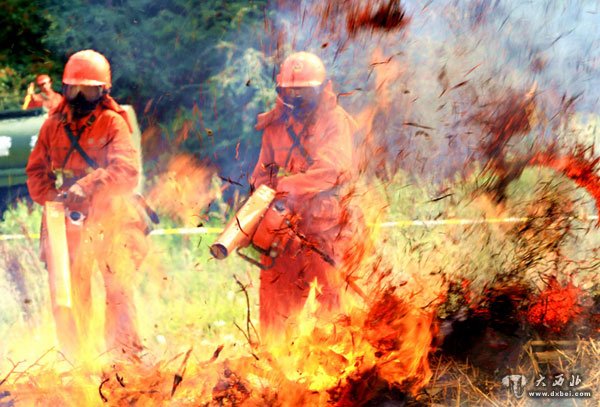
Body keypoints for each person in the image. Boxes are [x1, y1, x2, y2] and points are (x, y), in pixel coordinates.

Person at [26, 49, 148, 360]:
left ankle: (124, 361)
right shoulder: (52, 125)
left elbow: (127, 171)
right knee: (68, 293)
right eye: (74, 89)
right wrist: (53, 198)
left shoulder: (112, 123)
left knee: (117, 290)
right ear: (65, 89)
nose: (80, 96)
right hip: (67, 215)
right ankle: (76, 360)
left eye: (88, 89)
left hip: (110, 213)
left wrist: (88, 185)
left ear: (102, 91)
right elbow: (36, 172)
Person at [250, 51, 361, 336]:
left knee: (332, 310)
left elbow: (333, 170)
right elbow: (261, 175)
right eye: (290, 93)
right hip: (283, 232)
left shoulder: (334, 120)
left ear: (322, 89)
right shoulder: (274, 125)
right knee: (275, 310)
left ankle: (338, 370)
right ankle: (275, 365)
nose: (296, 101)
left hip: (326, 229)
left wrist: (285, 188)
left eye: (303, 94)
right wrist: (262, 203)